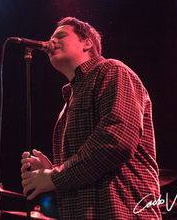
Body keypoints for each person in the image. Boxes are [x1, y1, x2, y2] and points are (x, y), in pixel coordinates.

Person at [20, 17, 161, 219]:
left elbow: (116, 140)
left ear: (87, 42)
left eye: (60, 36)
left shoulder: (113, 70)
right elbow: (83, 171)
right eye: (50, 38)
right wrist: (51, 171)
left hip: (122, 211)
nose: (51, 42)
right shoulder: (68, 104)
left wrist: (54, 177)